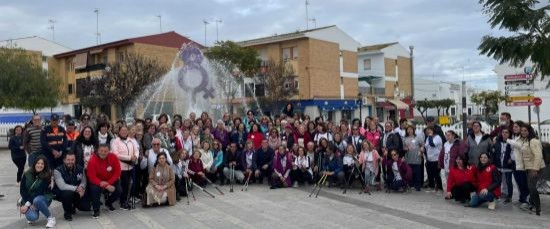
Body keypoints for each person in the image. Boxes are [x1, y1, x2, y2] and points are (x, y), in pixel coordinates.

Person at [508, 123, 545, 215]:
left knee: (531, 187)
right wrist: (507, 139)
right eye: (522, 131)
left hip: (535, 168)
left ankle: (537, 207)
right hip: (529, 168)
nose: (523, 132)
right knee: (530, 186)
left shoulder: (533, 141)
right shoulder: (524, 140)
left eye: (525, 131)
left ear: (530, 131)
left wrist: (535, 169)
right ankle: (532, 205)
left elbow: (538, 155)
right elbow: (517, 145)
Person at [19, 156, 56, 228]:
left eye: (42, 164)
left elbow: (39, 192)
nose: (40, 165)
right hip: (29, 198)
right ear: (34, 163)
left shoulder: (47, 174)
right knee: (32, 217)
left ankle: (51, 218)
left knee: (37, 200)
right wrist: (28, 202)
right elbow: (22, 190)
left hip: (43, 197)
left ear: (45, 166)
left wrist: (27, 205)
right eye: (38, 163)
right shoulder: (27, 173)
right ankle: (36, 209)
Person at [87, 144, 122, 218]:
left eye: (105, 151)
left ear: (109, 151)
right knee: (95, 190)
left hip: (109, 179)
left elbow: (117, 172)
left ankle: (108, 203)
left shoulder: (113, 157)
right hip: (97, 180)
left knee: (119, 190)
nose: (103, 153)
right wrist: (106, 186)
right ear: (98, 151)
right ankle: (96, 210)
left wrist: (109, 183)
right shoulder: (92, 160)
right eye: (101, 151)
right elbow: (92, 177)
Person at [53, 153, 89, 221]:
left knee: (85, 207)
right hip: (63, 193)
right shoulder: (57, 170)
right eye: (68, 160)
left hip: (76, 191)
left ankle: (72, 206)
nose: (70, 161)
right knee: (67, 194)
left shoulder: (80, 168)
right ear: (64, 160)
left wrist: (82, 188)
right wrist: (76, 189)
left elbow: (83, 181)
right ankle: (67, 213)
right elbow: (62, 186)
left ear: (75, 160)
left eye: (72, 160)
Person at [110, 126, 139, 210]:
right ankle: (122, 202)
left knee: (128, 185)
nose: (124, 132)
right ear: (119, 132)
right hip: (120, 167)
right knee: (123, 185)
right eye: (122, 130)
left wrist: (135, 156)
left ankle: (125, 200)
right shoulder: (116, 141)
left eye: (126, 130)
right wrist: (130, 158)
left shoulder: (130, 140)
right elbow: (115, 154)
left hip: (130, 167)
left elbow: (136, 150)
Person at [508, 121, 529, 207]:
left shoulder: (523, 137)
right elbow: (513, 150)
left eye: (516, 127)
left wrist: (508, 140)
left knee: (523, 181)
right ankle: (522, 198)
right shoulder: (514, 136)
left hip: (521, 163)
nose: (514, 128)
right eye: (513, 127)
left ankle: (526, 199)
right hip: (513, 162)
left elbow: (520, 146)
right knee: (518, 181)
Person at [491, 129, 514, 203]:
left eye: (506, 132)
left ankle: (509, 196)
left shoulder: (511, 143)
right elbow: (494, 153)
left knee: (508, 181)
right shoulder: (497, 143)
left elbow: (514, 152)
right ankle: (499, 193)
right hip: (498, 165)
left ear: (509, 134)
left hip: (507, 165)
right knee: (498, 181)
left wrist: (511, 158)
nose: (504, 134)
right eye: (503, 132)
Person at [403, 125, 423, 191]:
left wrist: (421, 149)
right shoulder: (405, 138)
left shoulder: (418, 137)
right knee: (410, 172)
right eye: (408, 129)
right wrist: (406, 148)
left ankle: (417, 186)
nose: (409, 130)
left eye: (411, 129)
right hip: (408, 158)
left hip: (417, 158)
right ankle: (410, 185)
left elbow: (422, 145)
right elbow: (403, 148)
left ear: (413, 130)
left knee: (417, 173)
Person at [424, 126, 443, 192]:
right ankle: (431, 186)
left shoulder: (437, 137)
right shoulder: (428, 138)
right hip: (429, 159)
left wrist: (430, 136)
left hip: (436, 159)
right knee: (430, 174)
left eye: (430, 130)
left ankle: (439, 187)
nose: (428, 131)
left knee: (436, 174)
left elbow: (432, 144)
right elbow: (426, 146)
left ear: (433, 131)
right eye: (427, 130)